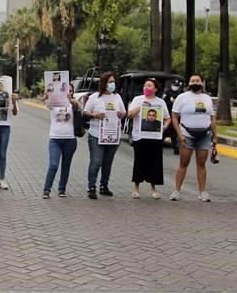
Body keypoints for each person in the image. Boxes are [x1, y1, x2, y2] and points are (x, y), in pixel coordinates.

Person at [170, 74, 218, 202]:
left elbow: (212, 118)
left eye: (197, 80)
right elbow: (174, 116)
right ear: (189, 83)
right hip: (187, 134)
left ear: (202, 83)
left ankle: (202, 192)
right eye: (192, 80)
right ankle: (177, 191)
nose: (195, 82)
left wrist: (215, 136)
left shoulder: (207, 98)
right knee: (183, 163)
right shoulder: (182, 98)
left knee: (201, 164)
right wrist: (180, 135)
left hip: (204, 135)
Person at [82, 72, 126, 200]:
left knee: (108, 163)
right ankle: (91, 187)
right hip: (96, 134)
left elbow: (123, 112)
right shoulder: (95, 97)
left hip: (112, 135)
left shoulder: (117, 97)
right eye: (109, 81)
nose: (112, 84)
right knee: (96, 162)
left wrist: (121, 114)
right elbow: (85, 112)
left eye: (113, 82)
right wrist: (95, 115)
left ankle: (104, 186)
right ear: (103, 83)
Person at [127, 79, 171, 199]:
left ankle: (153, 189)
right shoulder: (137, 100)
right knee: (139, 162)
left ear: (155, 89)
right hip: (139, 137)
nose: (147, 87)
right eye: (145, 85)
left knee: (155, 162)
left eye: (150, 85)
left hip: (155, 137)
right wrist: (141, 107)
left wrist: (164, 127)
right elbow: (129, 115)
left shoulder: (160, 102)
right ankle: (136, 188)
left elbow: (167, 118)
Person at [43, 82, 82, 199]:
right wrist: (45, 96)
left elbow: (78, 108)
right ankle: (46, 190)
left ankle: (62, 189)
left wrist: (72, 101)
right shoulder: (55, 102)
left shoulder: (74, 104)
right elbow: (46, 104)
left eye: (70, 91)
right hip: (55, 139)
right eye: (66, 90)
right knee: (53, 165)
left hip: (70, 139)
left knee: (66, 165)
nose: (68, 93)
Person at [162, 80, 183, 155]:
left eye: (177, 85)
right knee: (165, 131)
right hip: (168, 115)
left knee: (174, 133)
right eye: (174, 85)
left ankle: (176, 149)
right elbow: (163, 103)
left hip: (177, 116)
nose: (175, 87)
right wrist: (170, 102)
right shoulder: (167, 92)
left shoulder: (180, 94)